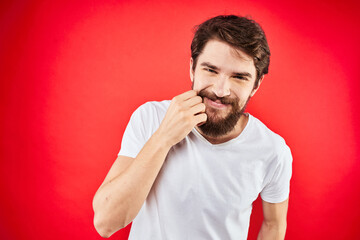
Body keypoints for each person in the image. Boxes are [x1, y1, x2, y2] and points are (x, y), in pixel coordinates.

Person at [92, 15, 292, 240]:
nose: (221, 90)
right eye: (211, 70)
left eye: (239, 77)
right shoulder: (150, 118)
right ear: (192, 69)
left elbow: (274, 225)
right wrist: (164, 137)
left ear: (256, 85)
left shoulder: (273, 150)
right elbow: (105, 222)